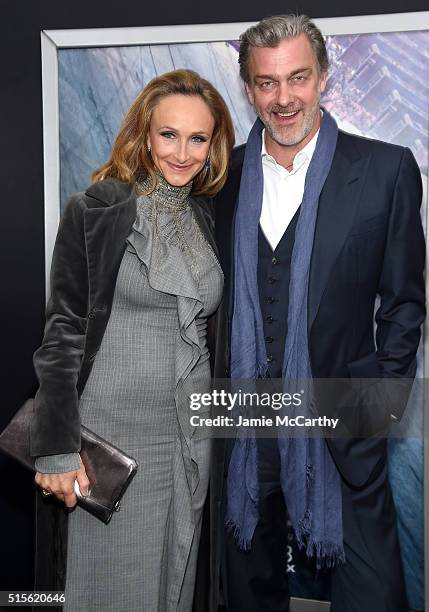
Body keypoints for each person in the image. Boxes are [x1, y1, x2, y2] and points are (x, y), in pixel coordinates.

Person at [209, 14, 425, 612]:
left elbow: (405, 304)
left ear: (323, 77)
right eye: (267, 83)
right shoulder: (219, 179)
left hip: (341, 431)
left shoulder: (386, 171)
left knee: (374, 595)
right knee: (248, 597)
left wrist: (373, 408)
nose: (283, 99)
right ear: (249, 88)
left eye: (297, 78)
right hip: (244, 434)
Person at [30, 68, 234, 611]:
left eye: (198, 138)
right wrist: (54, 448)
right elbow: (63, 333)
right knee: (105, 589)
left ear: (213, 146)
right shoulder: (96, 210)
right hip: (105, 447)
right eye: (169, 134)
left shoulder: (208, 219)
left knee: (172, 586)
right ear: (145, 134)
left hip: (186, 444)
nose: (182, 153)